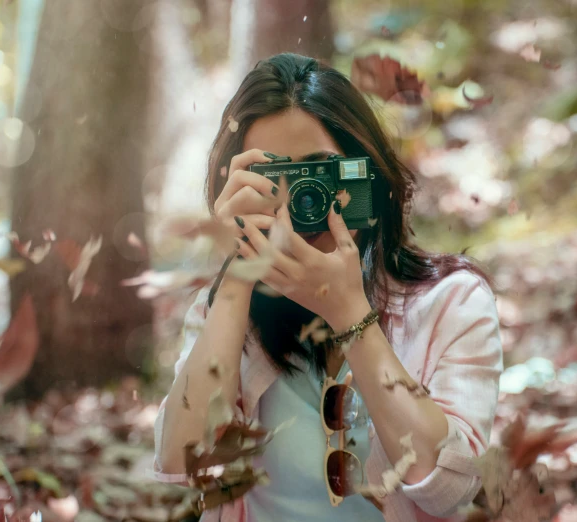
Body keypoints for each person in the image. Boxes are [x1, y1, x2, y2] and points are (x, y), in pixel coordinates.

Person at [152, 53, 503, 522]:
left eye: (320, 173)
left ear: (368, 176)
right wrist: (237, 274)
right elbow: (182, 461)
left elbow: (449, 491)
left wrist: (351, 318)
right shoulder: (225, 313)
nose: (303, 200)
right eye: (276, 179)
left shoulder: (452, 303)